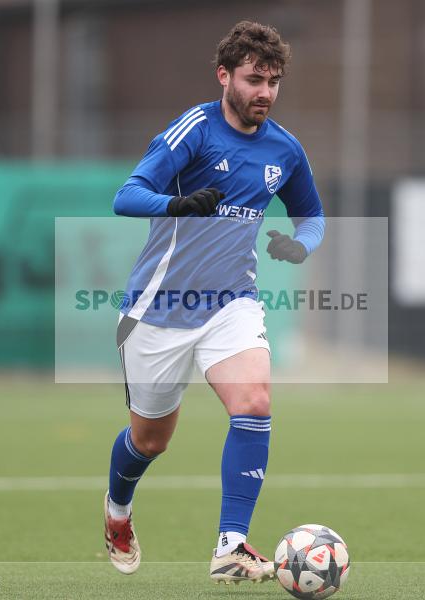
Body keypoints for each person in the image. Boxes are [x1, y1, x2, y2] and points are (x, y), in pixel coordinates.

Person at [103, 20, 325, 584]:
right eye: (254, 79)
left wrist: (299, 246)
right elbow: (125, 196)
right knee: (150, 440)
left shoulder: (286, 149)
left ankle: (231, 546)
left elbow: (313, 217)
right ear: (224, 76)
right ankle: (118, 511)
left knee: (253, 402)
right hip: (159, 309)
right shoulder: (194, 130)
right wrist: (177, 205)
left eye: (274, 82)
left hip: (232, 301)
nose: (265, 93)